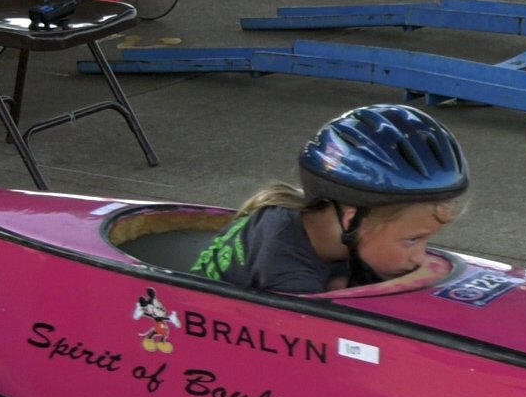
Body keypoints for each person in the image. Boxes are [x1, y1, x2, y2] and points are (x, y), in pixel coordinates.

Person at [194, 104, 468, 293]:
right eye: (412, 240)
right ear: (352, 219)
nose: (420, 258)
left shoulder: (332, 235)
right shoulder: (285, 272)